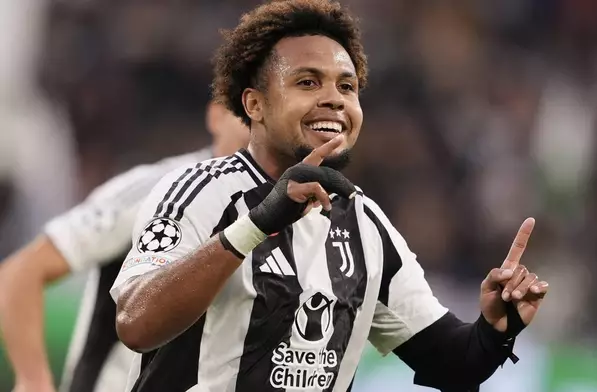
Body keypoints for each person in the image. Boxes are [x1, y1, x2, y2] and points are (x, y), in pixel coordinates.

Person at [111, 1, 549, 391]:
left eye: (346, 86)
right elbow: (135, 323)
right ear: (254, 105)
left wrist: (496, 329)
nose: (334, 100)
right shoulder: (199, 193)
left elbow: (453, 363)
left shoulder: (363, 222)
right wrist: (257, 224)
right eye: (307, 82)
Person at [0, 102, 250, 392]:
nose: (256, 127)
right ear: (216, 116)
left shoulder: (296, 209)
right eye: (245, 112)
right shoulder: (154, 190)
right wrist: (33, 380)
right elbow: (23, 270)